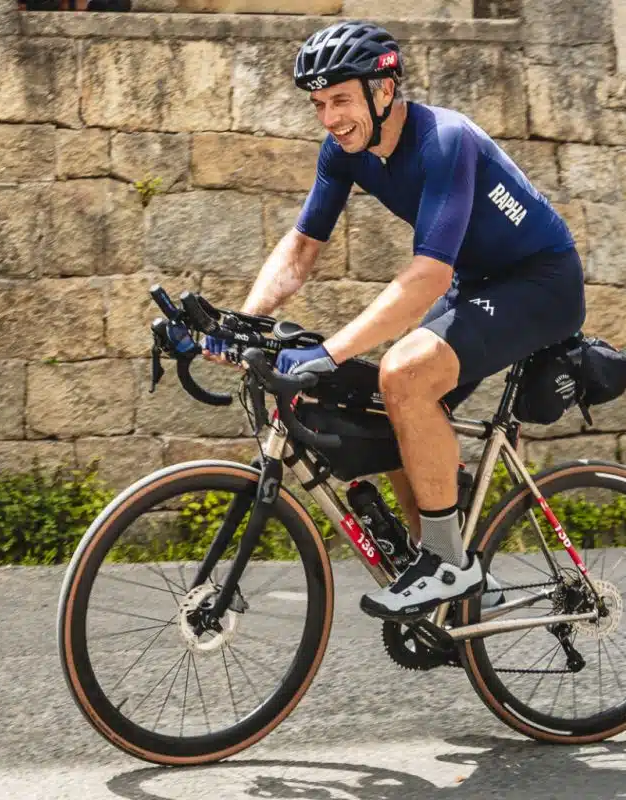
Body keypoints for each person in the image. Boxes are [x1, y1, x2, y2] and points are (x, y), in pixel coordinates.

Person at [204, 20, 586, 621]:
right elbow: (301, 249)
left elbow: (427, 277)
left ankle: (448, 564)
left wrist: (328, 352)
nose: (330, 119)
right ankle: (457, 585)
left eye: (341, 100)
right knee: (391, 401)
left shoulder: (445, 140)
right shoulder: (345, 152)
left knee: (404, 374)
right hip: (478, 284)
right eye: (319, 104)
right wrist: (242, 323)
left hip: (541, 284)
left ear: (383, 91)